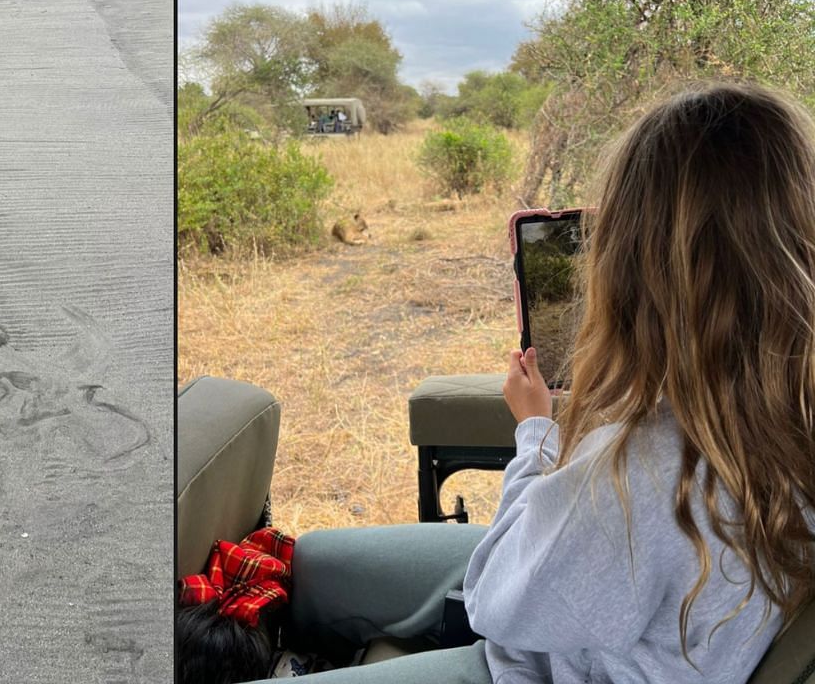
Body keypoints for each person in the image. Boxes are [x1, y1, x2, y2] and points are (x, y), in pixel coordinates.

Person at [239, 80, 815, 683]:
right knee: (310, 563)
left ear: (632, 269)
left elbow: (493, 604)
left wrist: (536, 435)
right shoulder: (767, 419)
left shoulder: (641, 470)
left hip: (531, 656)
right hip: (583, 608)